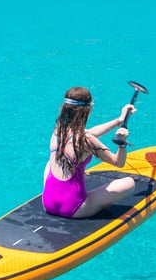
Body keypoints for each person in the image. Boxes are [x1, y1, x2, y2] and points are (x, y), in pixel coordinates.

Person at [42, 86, 136, 219]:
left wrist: (119, 120)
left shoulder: (58, 131)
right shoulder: (87, 140)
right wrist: (122, 143)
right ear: (88, 110)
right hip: (74, 208)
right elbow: (118, 162)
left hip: (48, 204)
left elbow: (88, 133)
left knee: (49, 164)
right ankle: (98, 204)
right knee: (129, 182)